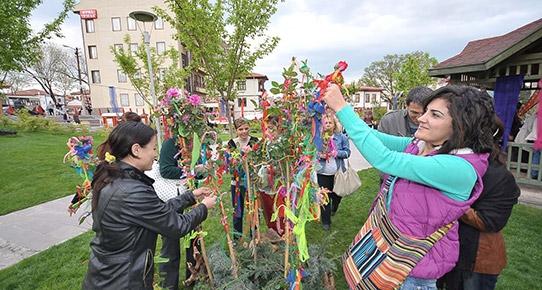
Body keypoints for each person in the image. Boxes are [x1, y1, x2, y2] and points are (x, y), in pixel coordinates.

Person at [323, 84, 495, 290]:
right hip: (388, 251)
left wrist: (342, 107)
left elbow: (384, 159)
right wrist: (342, 118)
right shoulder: (423, 145)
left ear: (461, 125)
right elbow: (378, 140)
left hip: (410, 273)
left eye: (435, 114)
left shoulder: (459, 168)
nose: (421, 118)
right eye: (425, 112)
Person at [82, 122, 217, 290]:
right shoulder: (132, 190)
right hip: (122, 280)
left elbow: (154, 211)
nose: (156, 154)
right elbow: (176, 225)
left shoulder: (117, 178)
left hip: (109, 273)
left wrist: (190, 196)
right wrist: (203, 207)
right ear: (136, 149)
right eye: (153, 148)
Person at [437, 117, 520, 290]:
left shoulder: (500, 177)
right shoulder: (455, 162)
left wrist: (451, 200)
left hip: (477, 259)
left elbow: (489, 221)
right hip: (447, 251)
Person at [316, 113, 350, 230]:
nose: (328, 125)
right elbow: (312, 153)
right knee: (325, 196)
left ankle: (335, 206)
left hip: (337, 173)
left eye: (330, 122)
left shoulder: (341, 137)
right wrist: (320, 155)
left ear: (334, 124)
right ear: (323, 125)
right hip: (323, 173)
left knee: (337, 195)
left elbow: (347, 152)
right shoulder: (318, 138)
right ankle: (326, 221)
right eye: (326, 123)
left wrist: (337, 153)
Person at [227, 118, 259, 239]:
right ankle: (237, 237)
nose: (244, 131)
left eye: (246, 128)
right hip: (237, 182)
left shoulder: (255, 141)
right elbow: (230, 165)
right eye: (240, 129)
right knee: (237, 210)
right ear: (236, 130)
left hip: (251, 182)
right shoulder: (232, 143)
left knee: (253, 208)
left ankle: (254, 236)